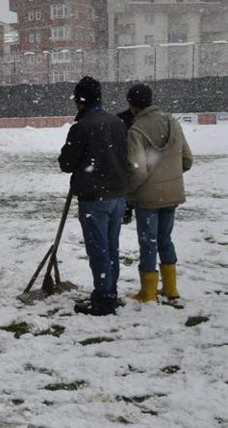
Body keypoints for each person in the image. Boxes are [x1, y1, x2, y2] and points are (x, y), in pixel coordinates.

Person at [58, 76, 128, 316]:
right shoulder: (117, 123)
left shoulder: (82, 127)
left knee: (99, 250)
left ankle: (104, 298)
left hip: (94, 197)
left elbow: (67, 163)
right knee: (111, 247)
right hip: (118, 196)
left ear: (80, 101)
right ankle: (110, 291)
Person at [125, 84, 193, 302]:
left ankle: (148, 291)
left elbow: (138, 170)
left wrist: (129, 193)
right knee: (165, 238)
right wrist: (169, 176)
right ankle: (171, 288)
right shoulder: (173, 123)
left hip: (148, 197)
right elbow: (187, 160)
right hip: (172, 194)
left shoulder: (136, 130)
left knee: (148, 241)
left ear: (132, 104)